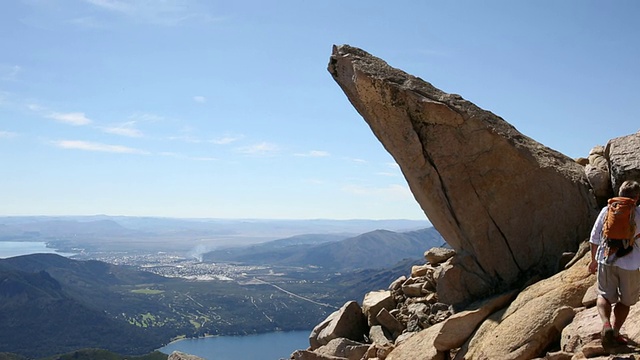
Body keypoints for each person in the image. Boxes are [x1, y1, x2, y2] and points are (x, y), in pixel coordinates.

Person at [588, 179, 640, 345]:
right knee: (625, 301)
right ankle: (616, 332)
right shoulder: (638, 213)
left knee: (603, 295)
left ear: (619, 193)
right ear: (637, 198)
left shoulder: (606, 210)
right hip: (631, 265)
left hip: (606, 260)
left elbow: (594, 238)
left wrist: (593, 260)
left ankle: (606, 324)